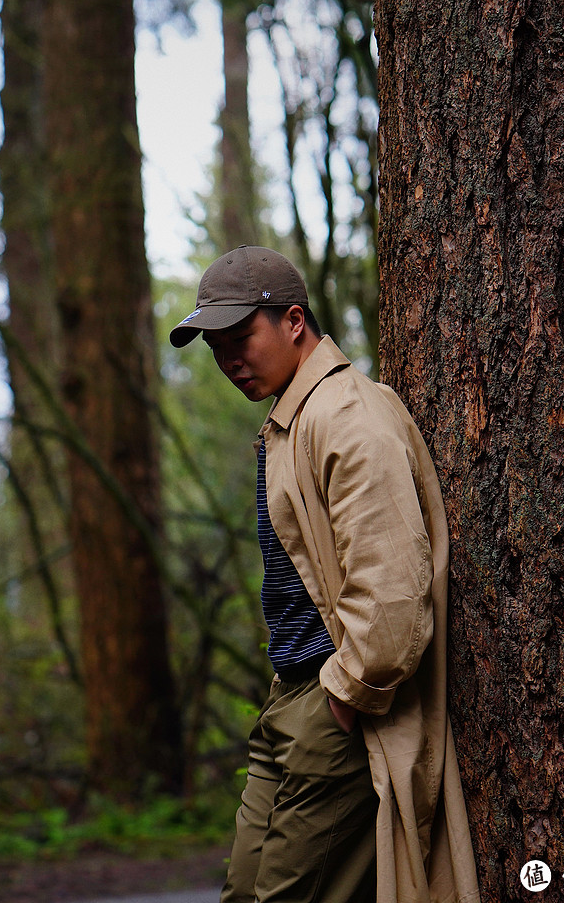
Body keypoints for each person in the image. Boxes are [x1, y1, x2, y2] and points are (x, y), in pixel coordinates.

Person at [170, 246, 480, 903]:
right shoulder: (292, 419)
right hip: (292, 700)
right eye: (215, 345)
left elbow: (395, 591)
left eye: (240, 337)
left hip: (333, 705)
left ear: (292, 320)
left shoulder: (347, 415)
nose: (228, 359)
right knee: (244, 893)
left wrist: (342, 698)